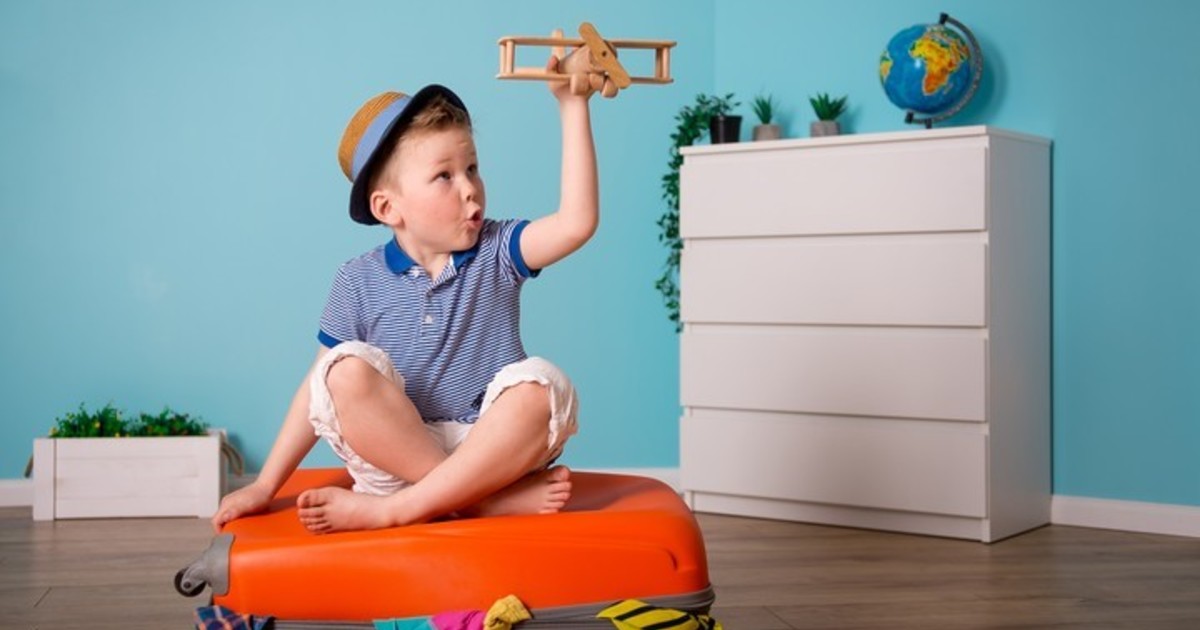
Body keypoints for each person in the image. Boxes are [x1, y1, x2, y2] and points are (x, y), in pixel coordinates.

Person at [212, 61, 598, 534]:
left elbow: (576, 223)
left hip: (490, 451)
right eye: (445, 176)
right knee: (339, 371)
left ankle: (401, 509)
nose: (470, 188)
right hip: (397, 459)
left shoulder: (498, 249)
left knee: (542, 386)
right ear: (388, 207)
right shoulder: (356, 280)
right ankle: (476, 502)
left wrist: (572, 105)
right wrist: (265, 485)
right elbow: (317, 393)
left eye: (472, 168)